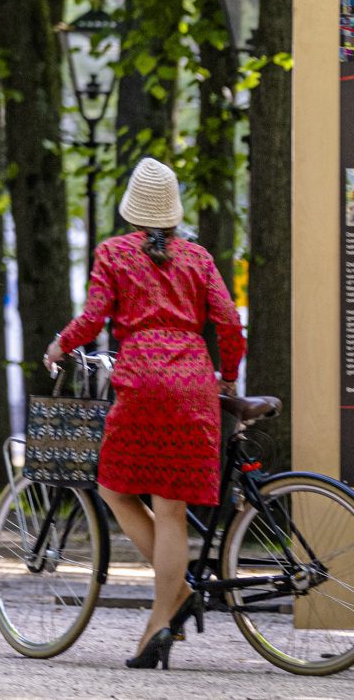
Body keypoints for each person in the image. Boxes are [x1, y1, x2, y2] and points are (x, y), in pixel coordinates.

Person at [44, 158, 245, 670]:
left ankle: (167, 615)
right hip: (192, 384)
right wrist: (228, 375)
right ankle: (165, 612)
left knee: (114, 488)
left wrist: (59, 346)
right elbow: (228, 322)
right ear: (173, 213)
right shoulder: (198, 259)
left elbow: (92, 319)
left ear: (132, 211)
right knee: (173, 510)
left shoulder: (114, 253)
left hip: (140, 383)